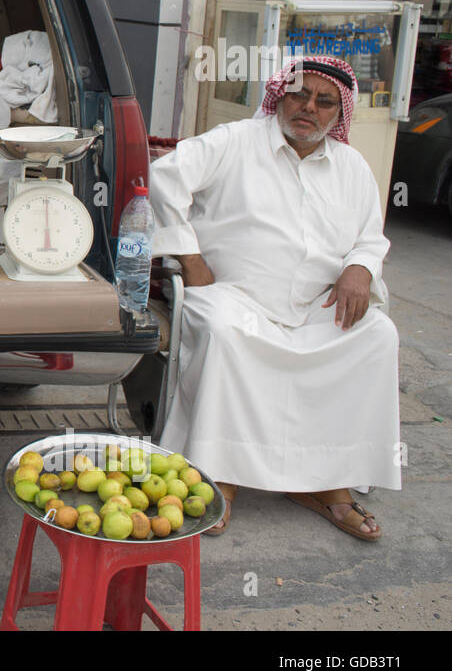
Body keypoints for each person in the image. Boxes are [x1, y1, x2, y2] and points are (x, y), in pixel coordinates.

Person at [149, 55, 399, 540]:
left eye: (325, 102)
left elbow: (371, 234)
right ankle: (218, 475)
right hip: (231, 295)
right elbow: (165, 178)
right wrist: (191, 260)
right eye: (299, 94)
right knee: (226, 333)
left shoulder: (351, 167)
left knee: (377, 336)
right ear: (279, 95)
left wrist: (360, 267)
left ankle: (329, 482)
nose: (309, 107)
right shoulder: (235, 140)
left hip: (314, 306)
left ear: (339, 113)